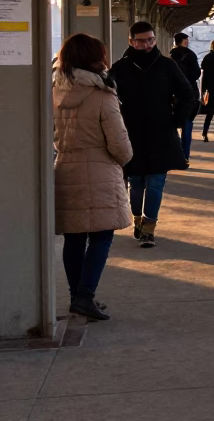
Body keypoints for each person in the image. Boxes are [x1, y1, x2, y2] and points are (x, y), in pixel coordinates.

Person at [53, 34, 133, 321]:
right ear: (94, 59)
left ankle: (78, 298)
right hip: (99, 169)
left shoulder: (53, 92)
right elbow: (119, 143)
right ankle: (85, 295)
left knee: (74, 238)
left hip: (64, 167)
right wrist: (125, 159)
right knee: (101, 236)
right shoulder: (102, 94)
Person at [110, 21, 198, 247]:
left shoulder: (167, 66)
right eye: (141, 41)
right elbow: (107, 100)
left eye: (150, 39)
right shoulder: (119, 68)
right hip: (131, 134)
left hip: (161, 133)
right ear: (131, 41)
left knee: (156, 182)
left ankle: (149, 228)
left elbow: (188, 95)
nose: (147, 44)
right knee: (136, 183)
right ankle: (138, 219)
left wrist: (176, 121)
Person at [170, 32, 201, 160]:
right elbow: (197, 73)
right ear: (183, 41)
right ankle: (185, 156)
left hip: (175, 94)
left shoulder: (171, 56)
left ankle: (175, 153)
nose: (187, 42)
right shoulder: (191, 55)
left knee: (173, 125)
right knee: (187, 124)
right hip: (189, 93)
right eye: (186, 40)